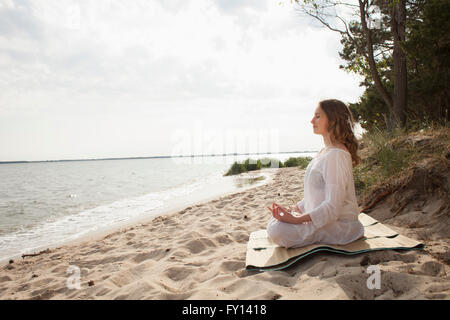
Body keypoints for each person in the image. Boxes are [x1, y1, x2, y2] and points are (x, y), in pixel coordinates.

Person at [266, 99, 365, 248]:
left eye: (318, 116)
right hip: (327, 221)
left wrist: (296, 220)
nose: (312, 120)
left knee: (276, 230)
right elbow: (318, 193)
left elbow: (332, 207)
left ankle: (313, 232)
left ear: (332, 120)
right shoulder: (326, 152)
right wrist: (296, 209)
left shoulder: (336, 155)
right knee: (275, 224)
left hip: (341, 227)